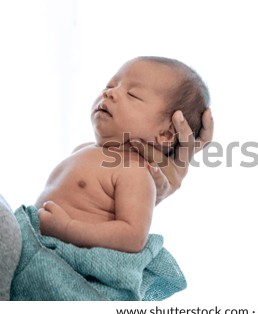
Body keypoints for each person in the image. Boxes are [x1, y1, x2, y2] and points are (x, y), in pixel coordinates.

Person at [0, 56, 214, 300]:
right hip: (36, 249)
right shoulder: (84, 149)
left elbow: (132, 236)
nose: (110, 94)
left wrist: (69, 229)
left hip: (65, 271)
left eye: (133, 94)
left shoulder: (134, 171)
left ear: (165, 133)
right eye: (110, 86)